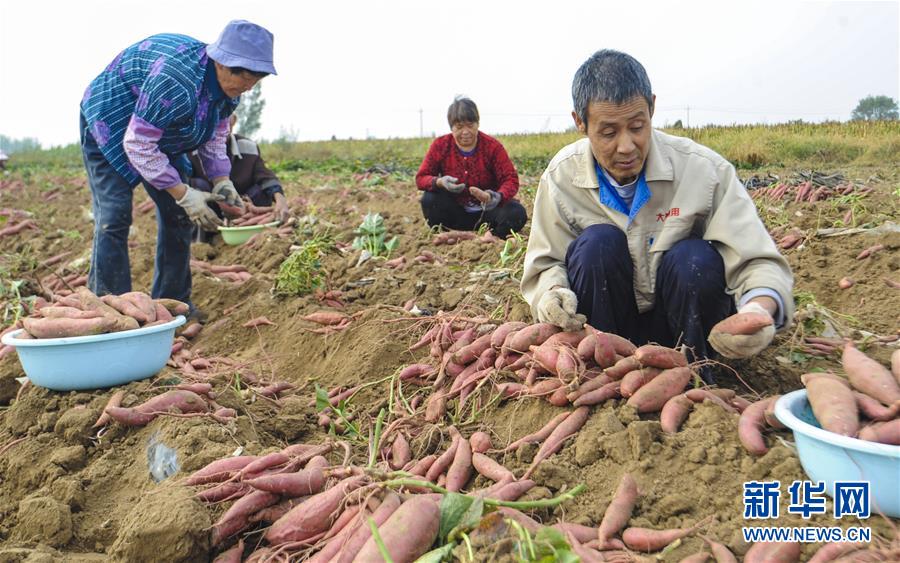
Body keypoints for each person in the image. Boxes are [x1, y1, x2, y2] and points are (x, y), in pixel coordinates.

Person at [521, 50, 793, 374]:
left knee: (694, 258)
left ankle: (697, 376)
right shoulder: (561, 178)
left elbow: (757, 258)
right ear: (580, 122)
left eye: (638, 126)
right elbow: (546, 263)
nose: (626, 146)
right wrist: (552, 295)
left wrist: (761, 309)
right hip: (604, 330)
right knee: (597, 245)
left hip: (683, 324)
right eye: (608, 133)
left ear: (651, 106)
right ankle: (603, 378)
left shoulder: (703, 170)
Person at [79, 20, 276, 318]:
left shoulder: (229, 91)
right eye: (246, 79)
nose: (248, 89)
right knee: (114, 214)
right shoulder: (177, 80)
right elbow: (138, 144)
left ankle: (171, 304)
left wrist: (221, 180)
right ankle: (112, 310)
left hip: (160, 135)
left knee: (177, 215)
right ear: (222, 64)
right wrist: (184, 193)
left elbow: (215, 134)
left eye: (255, 82)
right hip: (110, 122)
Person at [415, 97, 527, 238]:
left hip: (488, 213)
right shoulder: (440, 146)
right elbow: (421, 178)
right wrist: (440, 182)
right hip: (455, 212)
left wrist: (496, 196)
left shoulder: (492, 147)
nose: (466, 132)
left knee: (516, 213)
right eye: (459, 127)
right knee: (429, 199)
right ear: (451, 128)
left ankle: (491, 236)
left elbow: (510, 179)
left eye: (470, 125)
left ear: (478, 124)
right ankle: (448, 234)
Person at [188, 113, 290, 227]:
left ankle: (247, 225)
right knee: (197, 185)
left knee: (260, 190)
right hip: (210, 203)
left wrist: (280, 199)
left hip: (244, 204)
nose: (218, 122)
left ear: (234, 120)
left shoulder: (247, 146)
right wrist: (219, 200)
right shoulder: (191, 147)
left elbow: (265, 176)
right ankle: (204, 237)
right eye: (213, 116)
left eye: (224, 116)